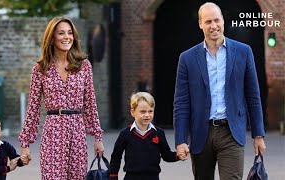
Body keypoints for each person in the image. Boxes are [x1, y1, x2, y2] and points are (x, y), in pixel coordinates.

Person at [173, 2, 266, 180]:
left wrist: (258, 134)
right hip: (201, 132)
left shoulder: (243, 52)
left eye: (217, 20)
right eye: (208, 22)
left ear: (223, 20)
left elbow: (253, 95)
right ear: (200, 24)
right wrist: (181, 140)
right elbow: (181, 103)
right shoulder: (187, 58)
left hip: (231, 132)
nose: (213, 26)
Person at [18, 17, 104, 180]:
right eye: (61, 33)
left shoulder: (84, 65)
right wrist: (25, 144)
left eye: (70, 33)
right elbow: (33, 108)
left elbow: (90, 104)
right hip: (53, 132)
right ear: (51, 38)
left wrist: (97, 137)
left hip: (77, 132)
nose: (67, 37)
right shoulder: (40, 69)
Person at [109, 92, 180, 180]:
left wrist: (179, 155)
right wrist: (113, 176)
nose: (147, 115)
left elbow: (167, 155)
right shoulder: (125, 134)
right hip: (131, 177)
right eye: (142, 112)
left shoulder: (159, 133)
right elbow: (116, 156)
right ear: (132, 112)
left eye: (150, 111)